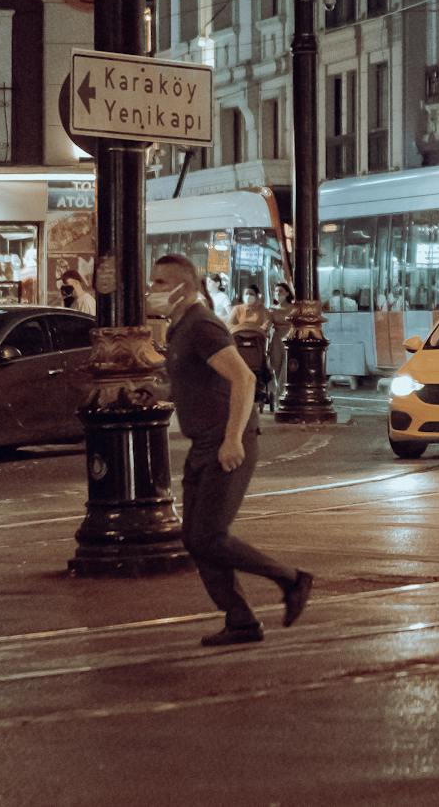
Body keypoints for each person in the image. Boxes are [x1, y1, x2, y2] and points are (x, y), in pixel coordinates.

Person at [147, 254, 313, 647]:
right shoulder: (179, 327)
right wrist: (155, 392)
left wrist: (233, 438)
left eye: (157, 283)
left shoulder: (202, 325)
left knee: (209, 536)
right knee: (196, 537)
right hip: (204, 442)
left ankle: (291, 580)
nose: (151, 290)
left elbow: (243, 378)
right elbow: (194, 383)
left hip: (225, 441)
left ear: (181, 288)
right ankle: (239, 619)